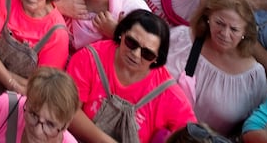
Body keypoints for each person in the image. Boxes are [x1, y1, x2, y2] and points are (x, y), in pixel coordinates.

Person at [66, 9, 196, 143]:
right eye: (131, 43)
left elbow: (193, 137)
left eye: (147, 54)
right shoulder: (90, 58)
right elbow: (67, 110)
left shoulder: (167, 92)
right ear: (121, 34)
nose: (135, 54)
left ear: (157, 59)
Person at [164, 0, 267, 137]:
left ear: (245, 32)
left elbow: (252, 127)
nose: (224, 33)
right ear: (208, 18)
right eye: (219, 23)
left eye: (234, 29)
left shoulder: (254, 77)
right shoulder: (180, 38)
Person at [0, 66, 80, 143]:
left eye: (50, 124)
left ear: (65, 126)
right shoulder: (6, 107)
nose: (37, 131)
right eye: (33, 114)